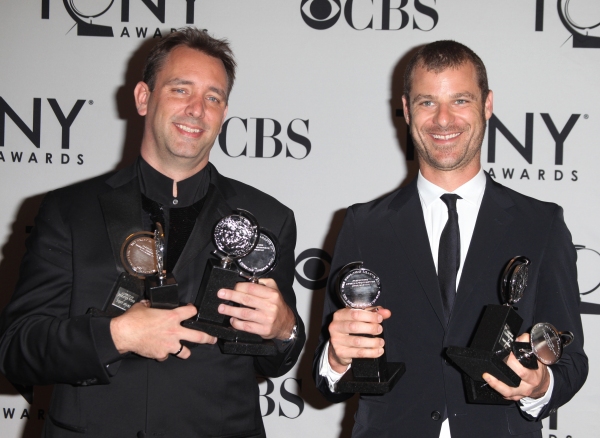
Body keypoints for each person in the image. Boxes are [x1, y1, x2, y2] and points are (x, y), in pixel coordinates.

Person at [0, 27, 304, 438]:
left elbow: (273, 362)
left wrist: (285, 328)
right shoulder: (69, 210)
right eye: (181, 90)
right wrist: (118, 335)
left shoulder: (270, 217)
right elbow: (17, 349)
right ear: (144, 98)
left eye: (212, 97)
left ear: (224, 113)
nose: (197, 108)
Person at [313, 40, 587, 437]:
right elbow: (327, 376)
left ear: (487, 104)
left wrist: (541, 385)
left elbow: (571, 359)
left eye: (460, 100)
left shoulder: (541, 224)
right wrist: (336, 358)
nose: (443, 120)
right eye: (427, 103)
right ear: (406, 110)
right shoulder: (363, 225)